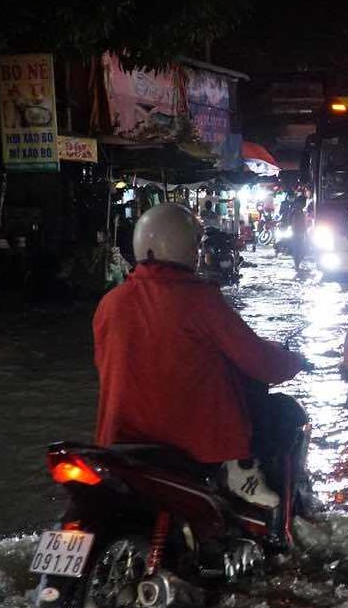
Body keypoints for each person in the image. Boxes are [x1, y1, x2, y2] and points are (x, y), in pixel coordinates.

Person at [94, 203, 304, 519]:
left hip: (120, 437)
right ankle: (254, 495)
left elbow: (105, 365)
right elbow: (260, 362)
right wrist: (293, 362)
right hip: (193, 441)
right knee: (283, 414)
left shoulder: (110, 303)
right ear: (187, 248)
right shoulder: (200, 300)